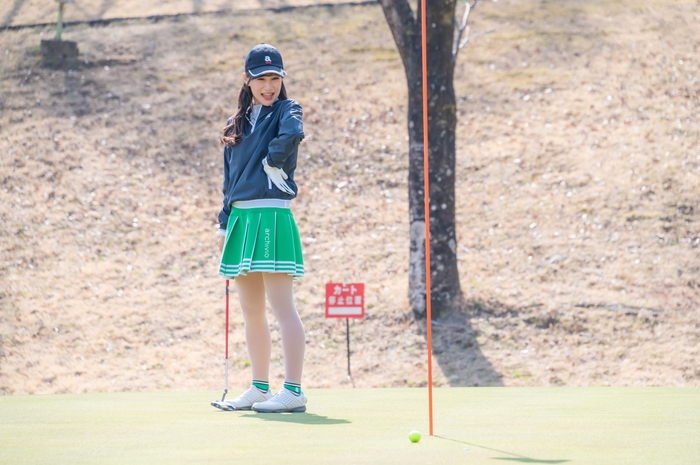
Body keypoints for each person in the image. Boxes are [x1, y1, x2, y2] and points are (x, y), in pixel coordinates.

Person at [212, 43, 307, 413]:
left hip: (270, 215)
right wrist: (224, 222)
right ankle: (259, 387)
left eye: (274, 78)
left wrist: (273, 160)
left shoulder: (287, 109)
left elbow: (292, 134)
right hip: (241, 219)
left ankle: (293, 390)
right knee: (251, 310)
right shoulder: (235, 125)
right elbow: (229, 180)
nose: (269, 86)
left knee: (282, 307)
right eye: (261, 79)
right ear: (246, 80)